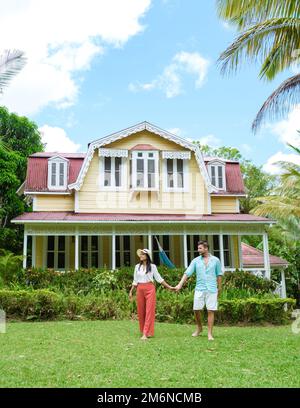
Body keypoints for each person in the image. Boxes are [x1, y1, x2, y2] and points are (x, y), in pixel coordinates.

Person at [175, 240, 223, 341]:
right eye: (198, 248)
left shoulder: (216, 260)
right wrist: (179, 284)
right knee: (196, 309)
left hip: (212, 288)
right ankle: (199, 328)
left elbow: (219, 275)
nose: (198, 250)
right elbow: (187, 273)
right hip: (199, 288)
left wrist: (219, 288)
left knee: (211, 310)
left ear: (206, 248)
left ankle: (210, 333)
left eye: (200, 248)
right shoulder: (195, 261)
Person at [129, 248, 174, 340]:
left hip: (150, 289)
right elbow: (135, 280)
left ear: (147, 256)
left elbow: (159, 279)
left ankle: (145, 333)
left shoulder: (153, 267)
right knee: (141, 311)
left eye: (143, 254)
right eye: (140, 254)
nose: (141, 256)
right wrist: (131, 291)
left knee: (149, 311)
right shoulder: (137, 266)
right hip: (140, 289)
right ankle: (144, 331)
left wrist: (169, 287)